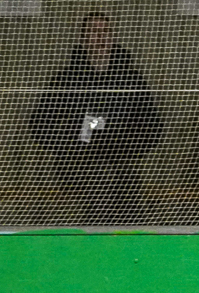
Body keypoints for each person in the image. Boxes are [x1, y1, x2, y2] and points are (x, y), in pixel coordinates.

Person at [30, 12, 162, 225]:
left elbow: (152, 124)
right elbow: (40, 124)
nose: (100, 37)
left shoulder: (132, 79)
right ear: (83, 39)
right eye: (93, 31)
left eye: (105, 31)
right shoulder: (66, 80)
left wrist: (129, 146)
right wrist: (70, 145)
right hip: (79, 166)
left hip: (122, 166)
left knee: (129, 219)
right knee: (94, 215)